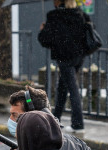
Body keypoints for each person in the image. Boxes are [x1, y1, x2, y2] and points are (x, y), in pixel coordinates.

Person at [38, 0, 90, 134]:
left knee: (72, 89)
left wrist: (43, 30)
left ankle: (78, 124)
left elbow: (45, 40)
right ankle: (56, 119)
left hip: (64, 57)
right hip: (79, 56)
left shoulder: (54, 16)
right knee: (63, 86)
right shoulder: (80, 14)